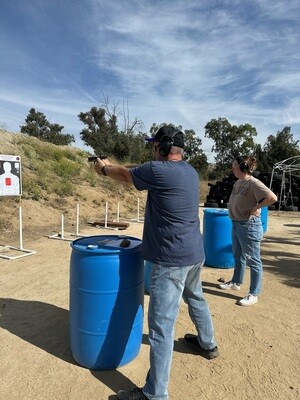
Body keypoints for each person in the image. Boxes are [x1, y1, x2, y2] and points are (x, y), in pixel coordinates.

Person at [94, 125, 218, 400]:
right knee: (196, 297)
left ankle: (155, 394)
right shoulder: (190, 171)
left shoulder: (157, 170)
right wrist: (113, 163)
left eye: (154, 146)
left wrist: (103, 169)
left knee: (161, 326)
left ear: (161, 149)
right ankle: (208, 343)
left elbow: (128, 175)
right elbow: (138, 168)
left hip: (170, 259)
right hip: (194, 253)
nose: (152, 150)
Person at [219, 156, 277, 306]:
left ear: (243, 167)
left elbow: (272, 197)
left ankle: (254, 293)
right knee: (238, 255)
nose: (232, 169)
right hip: (236, 223)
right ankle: (236, 282)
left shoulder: (254, 183)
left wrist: (256, 207)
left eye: (234, 166)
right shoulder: (238, 182)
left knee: (253, 260)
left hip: (248, 226)